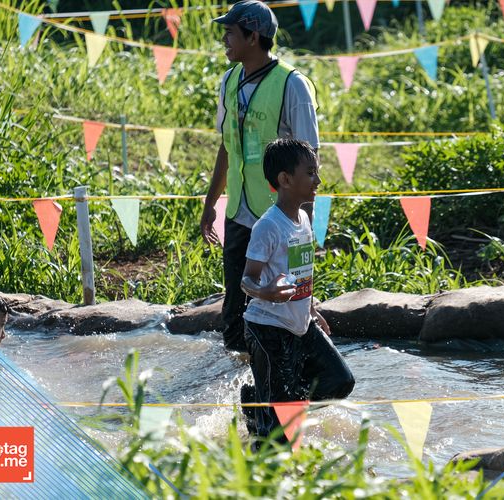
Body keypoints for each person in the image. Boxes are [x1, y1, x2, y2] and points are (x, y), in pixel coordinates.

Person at [199, 0, 319, 353]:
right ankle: (242, 378)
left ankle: (288, 375)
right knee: (235, 309)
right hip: (239, 211)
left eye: (230, 32)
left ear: (252, 37)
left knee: (287, 303)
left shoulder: (293, 85)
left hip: (280, 218)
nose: (224, 39)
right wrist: (211, 203)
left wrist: (303, 228)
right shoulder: (229, 80)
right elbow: (227, 146)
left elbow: (310, 160)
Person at [239, 139, 354, 442]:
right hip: (268, 329)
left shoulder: (303, 218)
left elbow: (301, 272)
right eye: (311, 173)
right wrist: (266, 292)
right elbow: (246, 280)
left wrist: (311, 310)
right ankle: (267, 418)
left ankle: (262, 405)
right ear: (285, 179)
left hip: (300, 324)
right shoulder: (268, 226)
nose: (318, 180)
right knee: (278, 437)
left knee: (339, 381)